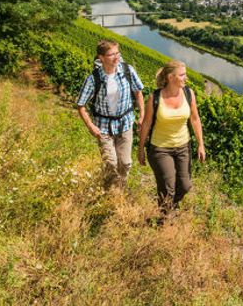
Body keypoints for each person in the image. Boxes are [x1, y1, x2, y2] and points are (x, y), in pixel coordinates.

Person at [138, 60, 205, 215]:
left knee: (185, 186)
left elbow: (195, 119)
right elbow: (147, 124)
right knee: (168, 188)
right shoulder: (155, 98)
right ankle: (165, 220)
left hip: (183, 146)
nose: (185, 78)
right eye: (182, 75)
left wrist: (201, 144)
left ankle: (170, 208)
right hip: (160, 148)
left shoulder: (189, 93)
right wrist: (141, 149)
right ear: (170, 77)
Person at [77, 40, 144, 188]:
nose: (116, 57)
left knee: (125, 163)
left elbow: (138, 92)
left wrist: (142, 115)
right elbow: (80, 105)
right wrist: (90, 126)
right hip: (103, 127)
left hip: (125, 123)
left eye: (117, 53)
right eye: (111, 54)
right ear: (101, 57)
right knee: (110, 163)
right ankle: (112, 194)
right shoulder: (94, 78)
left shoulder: (128, 70)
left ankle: (119, 187)